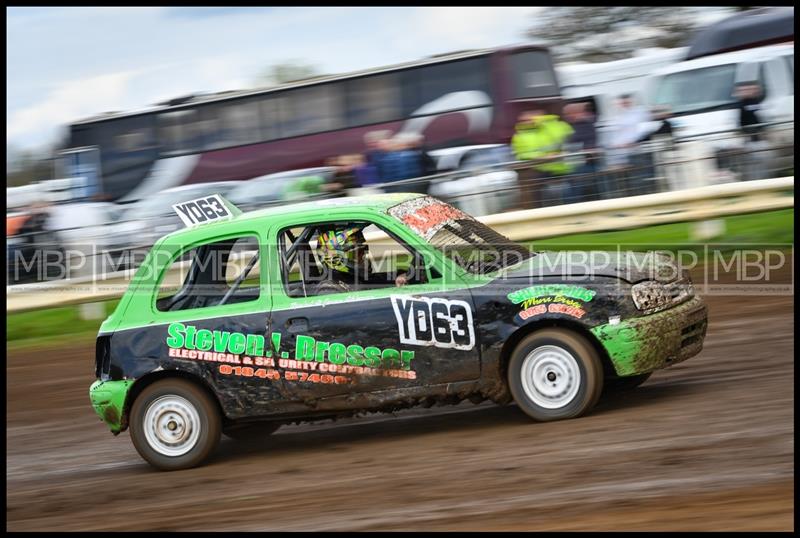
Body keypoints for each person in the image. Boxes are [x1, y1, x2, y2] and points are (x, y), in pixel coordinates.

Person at [312, 225, 409, 295]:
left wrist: (399, 276)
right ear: (336, 258)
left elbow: (373, 282)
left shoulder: (351, 278)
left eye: (364, 251)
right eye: (359, 253)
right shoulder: (330, 290)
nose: (364, 257)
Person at [511, 109, 575, 207]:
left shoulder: (551, 126)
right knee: (543, 198)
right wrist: (540, 156)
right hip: (540, 170)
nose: (527, 122)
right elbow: (520, 154)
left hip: (562, 168)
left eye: (529, 119)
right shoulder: (519, 135)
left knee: (569, 196)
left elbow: (564, 135)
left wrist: (545, 121)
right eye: (523, 120)